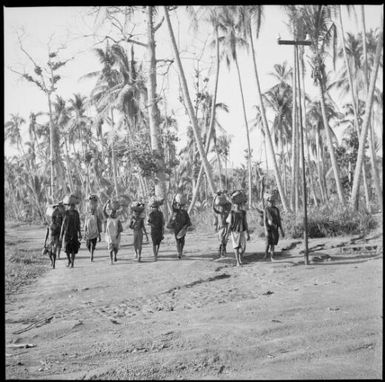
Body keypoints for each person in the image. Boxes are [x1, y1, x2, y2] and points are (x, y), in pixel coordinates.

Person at [226, 191, 250, 267]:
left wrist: (247, 233)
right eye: (237, 205)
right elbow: (230, 224)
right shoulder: (232, 213)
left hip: (242, 231)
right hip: (234, 231)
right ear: (234, 205)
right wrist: (227, 234)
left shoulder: (243, 212)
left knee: (243, 248)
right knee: (236, 246)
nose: (238, 206)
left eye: (239, 205)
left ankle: (240, 259)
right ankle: (238, 262)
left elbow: (245, 223)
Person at [59, 196, 82, 268]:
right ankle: (69, 260)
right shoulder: (66, 213)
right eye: (70, 205)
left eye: (73, 205)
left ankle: (72, 262)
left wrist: (80, 233)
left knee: (73, 249)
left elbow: (78, 224)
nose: (72, 207)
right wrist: (61, 235)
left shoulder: (76, 213)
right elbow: (63, 224)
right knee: (66, 249)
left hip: (74, 233)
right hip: (67, 233)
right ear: (68, 206)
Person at [264, 195, 284, 261]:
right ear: (268, 202)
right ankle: (266, 254)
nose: (271, 203)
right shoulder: (266, 209)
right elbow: (264, 220)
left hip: (275, 228)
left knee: (273, 243)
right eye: (270, 202)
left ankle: (272, 256)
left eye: (272, 201)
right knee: (267, 243)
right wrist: (265, 230)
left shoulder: (276, 209)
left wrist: (281, 230)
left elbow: (278, 220)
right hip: (268, 228)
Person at [170, 195, 191, 259]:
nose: (179, 207)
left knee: (182, 241)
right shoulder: (175, 211)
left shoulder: (185, 212)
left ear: (182, 206)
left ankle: (180, 251)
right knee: (177, 241)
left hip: (183, 229)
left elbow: (188, 221)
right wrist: (173, 199)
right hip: (176, 228)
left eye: (180, 206)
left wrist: (187, 226)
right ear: (177, 205)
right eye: (178, 205)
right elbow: (172, 206)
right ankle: (179, 252)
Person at [103, 199, 123, 264]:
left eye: (114, 212)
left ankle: (115, 256)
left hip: (116, 236)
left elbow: (120, 228)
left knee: (116, 248)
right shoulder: (108, 218)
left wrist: (118, 234)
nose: (112, 213)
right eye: (111, 212)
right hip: (110, 236)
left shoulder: (117, 219)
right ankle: (111, 260)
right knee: (110, 248)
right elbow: (103, 210)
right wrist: (106, 203)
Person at [42, 204, 62, 269]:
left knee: (54, 251)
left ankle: (54, 263)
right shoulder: (49, 225)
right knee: (49, 253)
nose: (54, 220)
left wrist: (59, 239)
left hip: (55, 239)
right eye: (53, 219)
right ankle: (51, 261)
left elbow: (59, 233)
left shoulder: (58, 225)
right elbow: (47, 233)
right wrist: (45, 241)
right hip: (50, 240)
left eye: (54, 219)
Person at [213, 192, 232, 258]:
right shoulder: (218, 212)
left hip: (226, 226)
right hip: (220, 226)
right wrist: (214, 198)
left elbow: (230, 204)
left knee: (225, 239)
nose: (222, 208)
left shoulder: (227, 210)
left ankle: (222, 251)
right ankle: (221, 251)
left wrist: (226, 196)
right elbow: (214, 211)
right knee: (221, 239)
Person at [84, 196, 102, 262]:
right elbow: (85, 225)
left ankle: (91, 255)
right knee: (87, 245)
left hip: (94, 232)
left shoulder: (96, 214)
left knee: (92, 245)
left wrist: (99, 235)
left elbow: (98, 224)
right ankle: (91, 252)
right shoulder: (87, 215)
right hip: (88, 233)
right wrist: (84, 234)